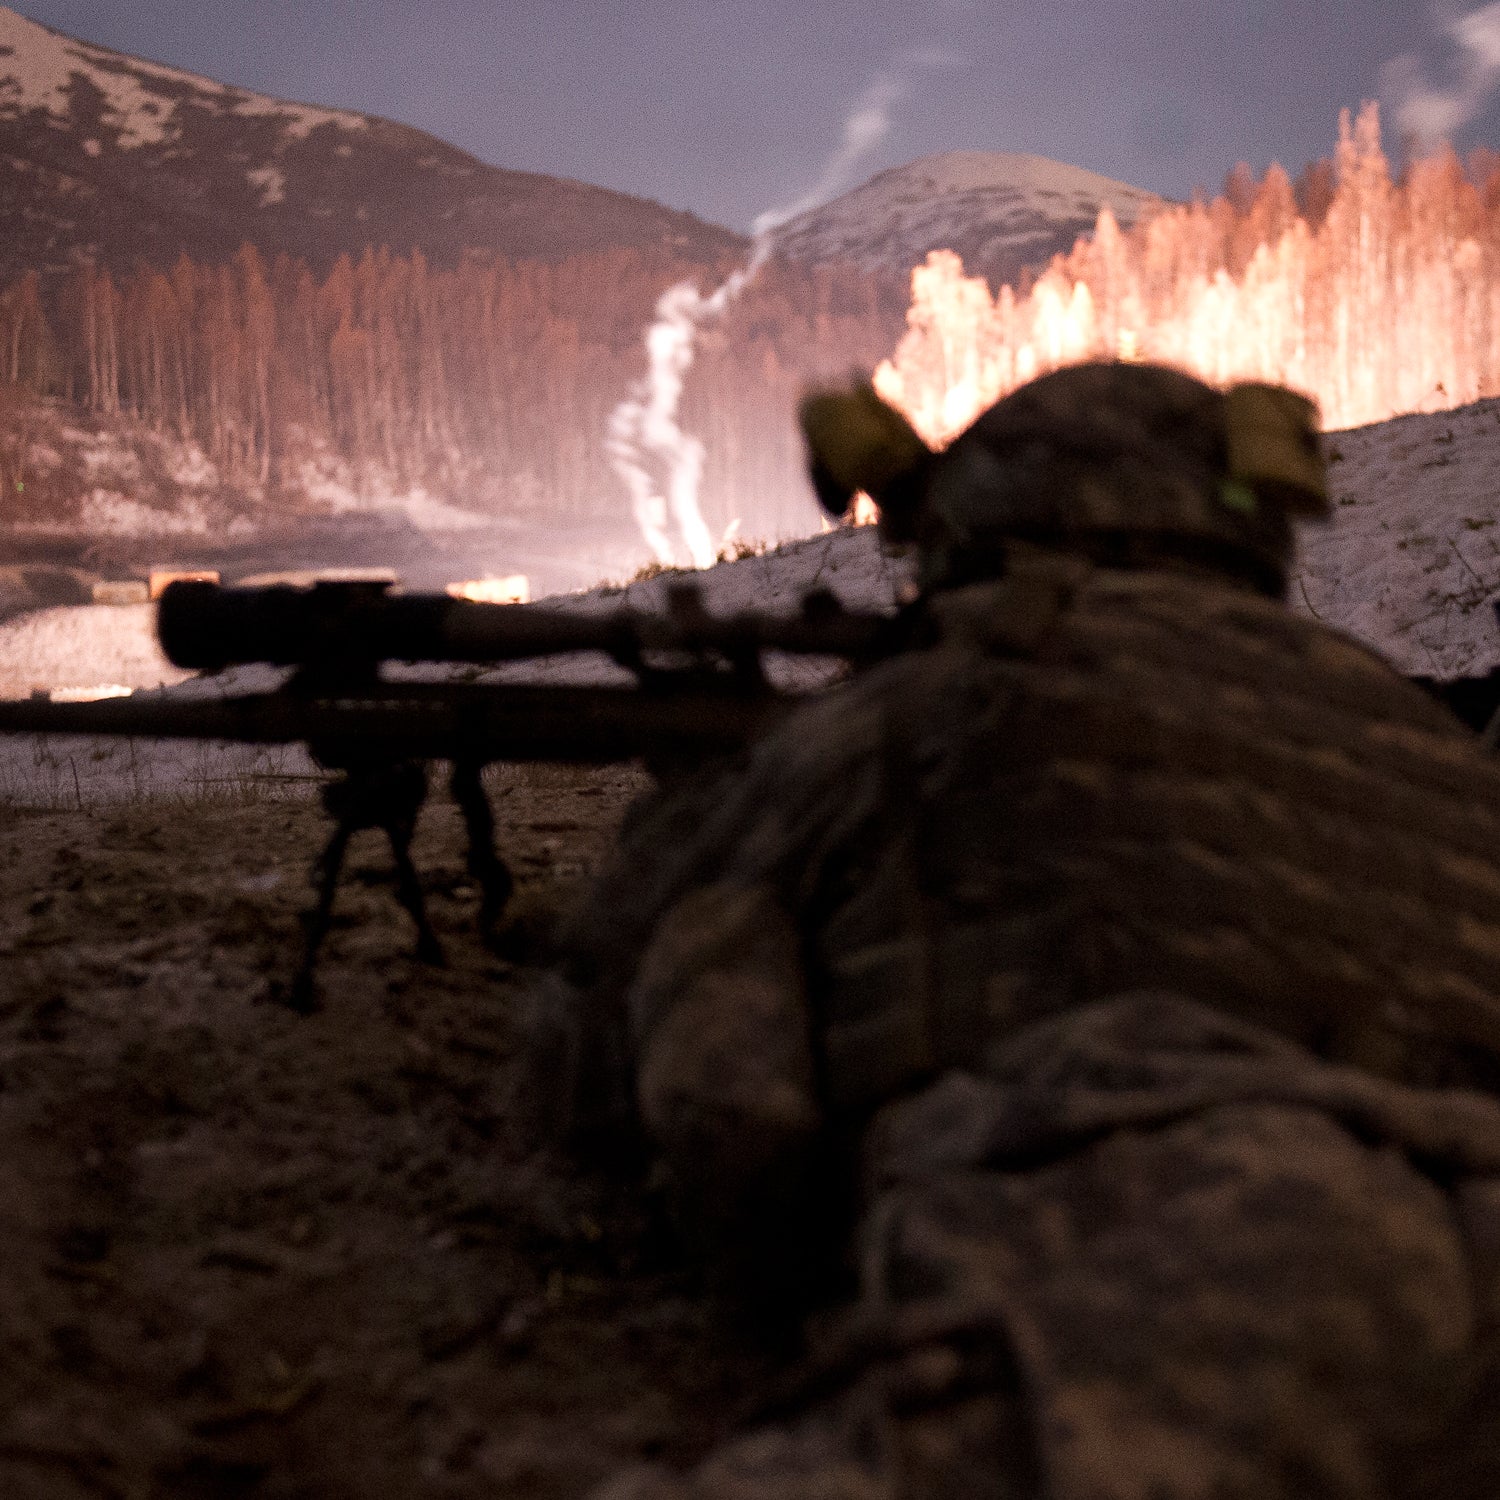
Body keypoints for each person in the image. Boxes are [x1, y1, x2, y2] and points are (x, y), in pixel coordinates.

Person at [565, 362, 1500, 1500]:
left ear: (975, 519)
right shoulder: (1415, 731)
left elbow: (718, 1099)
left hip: (1171, 1290)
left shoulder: (906, 720)